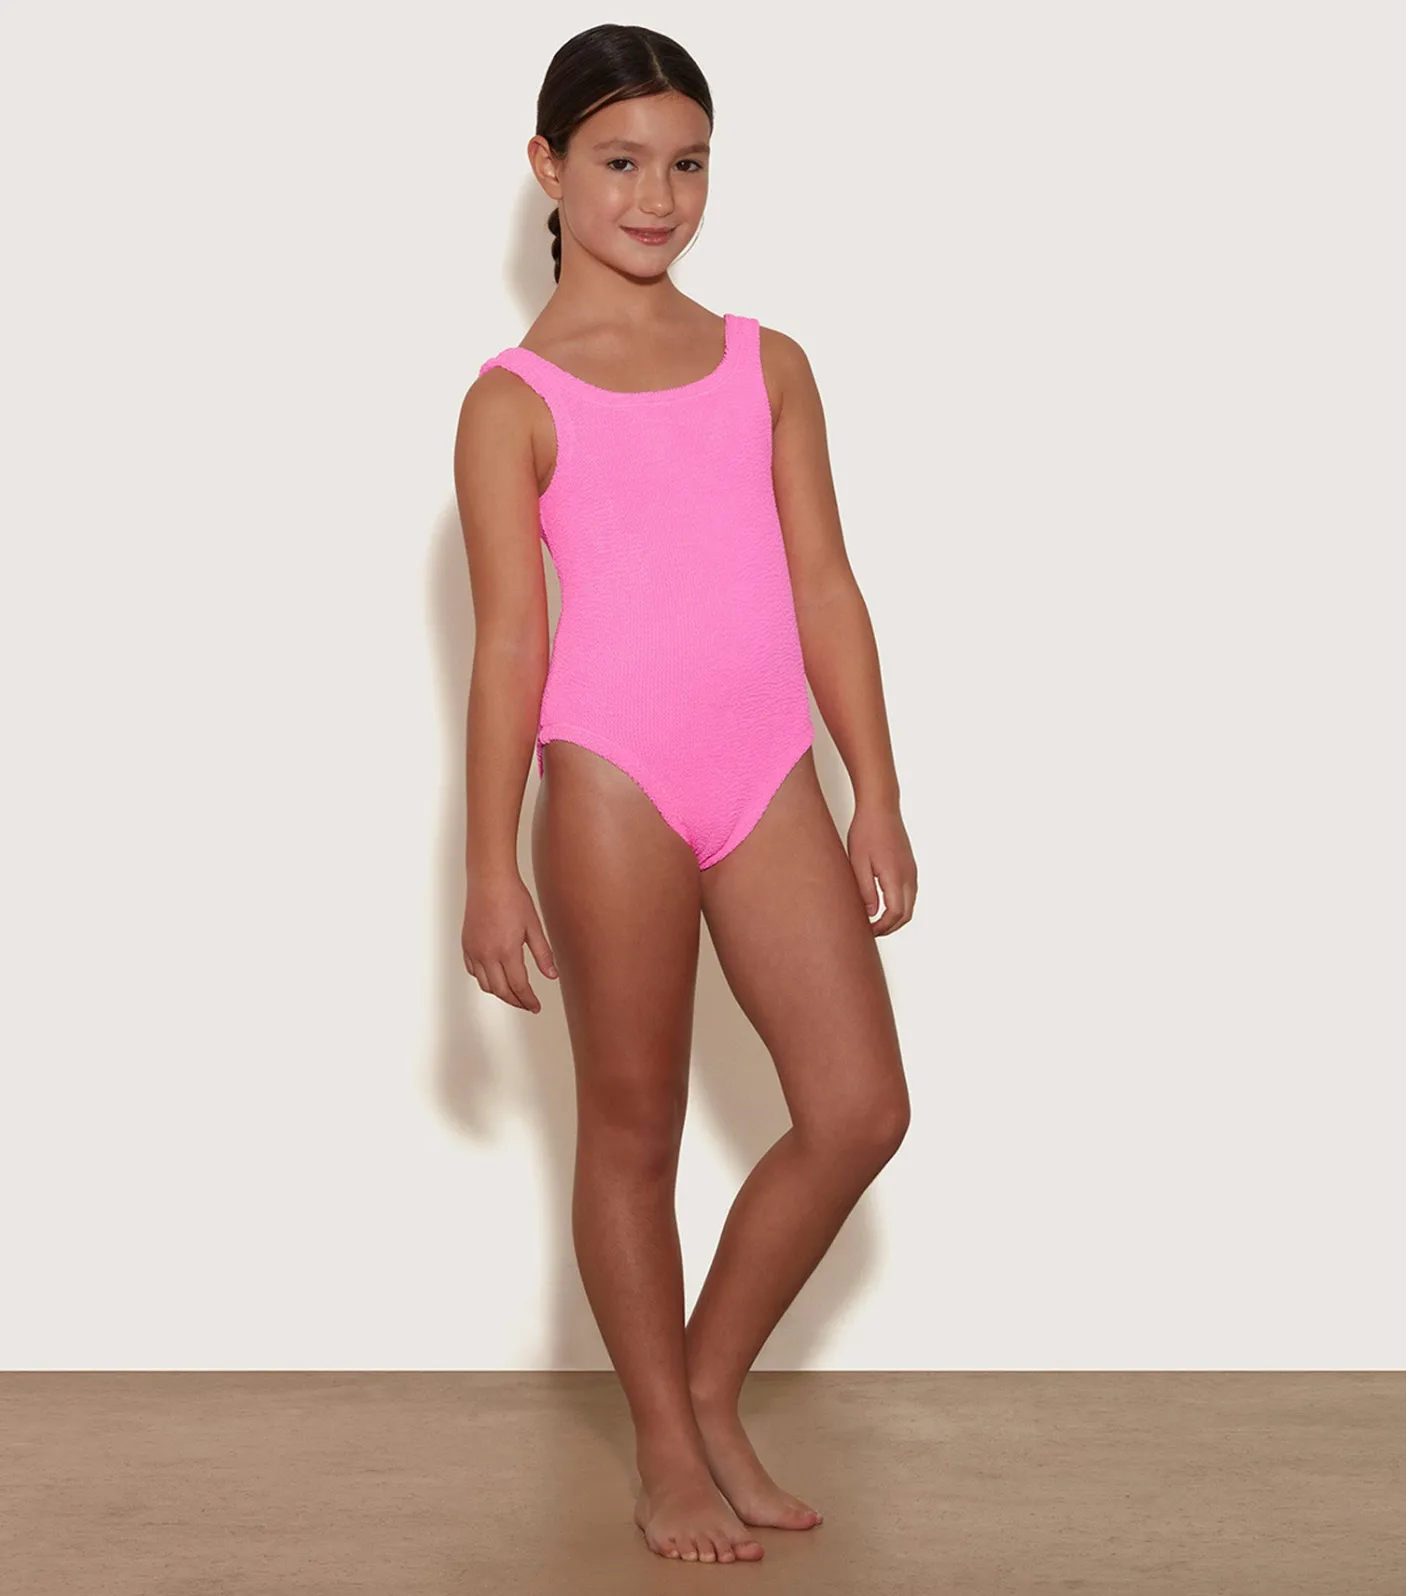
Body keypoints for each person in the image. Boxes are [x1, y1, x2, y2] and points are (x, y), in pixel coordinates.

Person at [453, 23, 917, 1568]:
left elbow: (825, 586)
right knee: (632, 1124)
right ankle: (664, 1446)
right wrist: (487, 864)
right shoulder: (512, 401)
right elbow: (509, 645)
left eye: (687, 164)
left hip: (766, 766)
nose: (657, 197)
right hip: (610, 776)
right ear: (547, 168)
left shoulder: (765, 365)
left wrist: (874, 788)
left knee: (856, 1109)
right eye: (619, 162)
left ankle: (708, 1389)